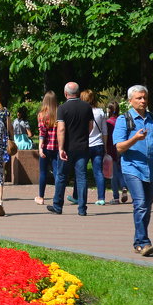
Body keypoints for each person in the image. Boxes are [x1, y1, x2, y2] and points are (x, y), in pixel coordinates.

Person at [113, 85, 153, 256]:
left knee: (146, 207)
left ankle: (139, 242)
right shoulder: (123, 119)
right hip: (132, 168)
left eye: (145, 98)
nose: (143, 101)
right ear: (130, 101)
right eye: (139, 98)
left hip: (152, 169)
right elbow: (119, 147)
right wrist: (135, 138)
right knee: (139, 204)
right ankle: (144, 242)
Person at [48, 82, 95, 216]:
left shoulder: (62, 108)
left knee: (62, 176)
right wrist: (83, 137)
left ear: (65, 93)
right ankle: (82, 209)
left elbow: (61, 129)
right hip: (83, 147)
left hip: (67, 148)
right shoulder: (87, 107)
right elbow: (90, 126)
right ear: (78, 93)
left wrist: (61, 148)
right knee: (82, 177)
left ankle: (57, 206)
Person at [73, 90, 109, 206]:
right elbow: (104, 131)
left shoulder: (81, 112)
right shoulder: (100, 112)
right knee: (98, 172)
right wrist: (105, 145)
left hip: (84, 145)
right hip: (98, 144)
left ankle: (78, 197)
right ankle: (101, 198)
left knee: (80, 172)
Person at [35, 91, 59, 205]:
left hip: (46, 147)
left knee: (43, 172)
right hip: (57, 147)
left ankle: (41, 197)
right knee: (57, 172)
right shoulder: (60, 113)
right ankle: (58, 196)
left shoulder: (42, 115)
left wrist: (40, 147)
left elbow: (42, 133)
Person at [105, 100, 126, 204]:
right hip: (122, 148)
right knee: (121, 171)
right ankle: (124, 187)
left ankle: (116, 197)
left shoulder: (108, 122)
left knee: (113, 173)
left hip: (112, 149)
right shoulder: (122, 120)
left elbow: (107, 137)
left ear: (109, 110)